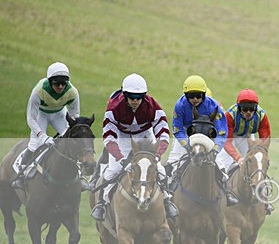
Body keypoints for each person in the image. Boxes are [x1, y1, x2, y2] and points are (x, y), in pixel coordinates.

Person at [90, 74, 178, 221]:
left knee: (160, 170)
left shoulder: (152, 106)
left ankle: (167, 200)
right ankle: (101, 203)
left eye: (139, 97)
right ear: (125, 96)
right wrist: (120, 158)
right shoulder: (113, 107)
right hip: (122, 136)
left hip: (144, 135)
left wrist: (157, 155)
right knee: (113, 170)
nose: (136, 101)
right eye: (132, 97)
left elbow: (163, 133)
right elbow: (109, 138)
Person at [166, 74, 237, 206]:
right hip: (187, 133)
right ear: (186, 95)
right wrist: (186, 145)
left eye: (198, 96)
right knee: (173, 162)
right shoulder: (179, 105)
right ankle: (169, 195)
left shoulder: (214, 106)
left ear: (204, 95)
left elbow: (222, 131)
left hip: (207, 136)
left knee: (220, 164)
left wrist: (215, 149)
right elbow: (177, 128)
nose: (195, 99)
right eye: (191, 96)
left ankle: (226, 193)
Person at [12, 62, 81, 190]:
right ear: (49, 81)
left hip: (60, 114)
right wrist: (42, 136)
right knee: (35, 143)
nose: (60, 87)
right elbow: (31, 118)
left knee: (72, 141)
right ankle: (21, 174)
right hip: (41, 114)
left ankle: (80, 176)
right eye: (57, 83)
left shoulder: (73, 92)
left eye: (63, 83)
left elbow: (75, 115)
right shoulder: (38, 91)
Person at [218, 89, 271, 171]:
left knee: (254, 161)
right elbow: (227, 142)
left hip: (247, 136)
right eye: (245, 109)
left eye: (252, 108)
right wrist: (238, 158)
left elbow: (265, 141)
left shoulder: (262, 116)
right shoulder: (230, 115)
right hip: (230, 137)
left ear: (256, 108)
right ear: (239, 108)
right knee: (225, 163)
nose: (248, 112)